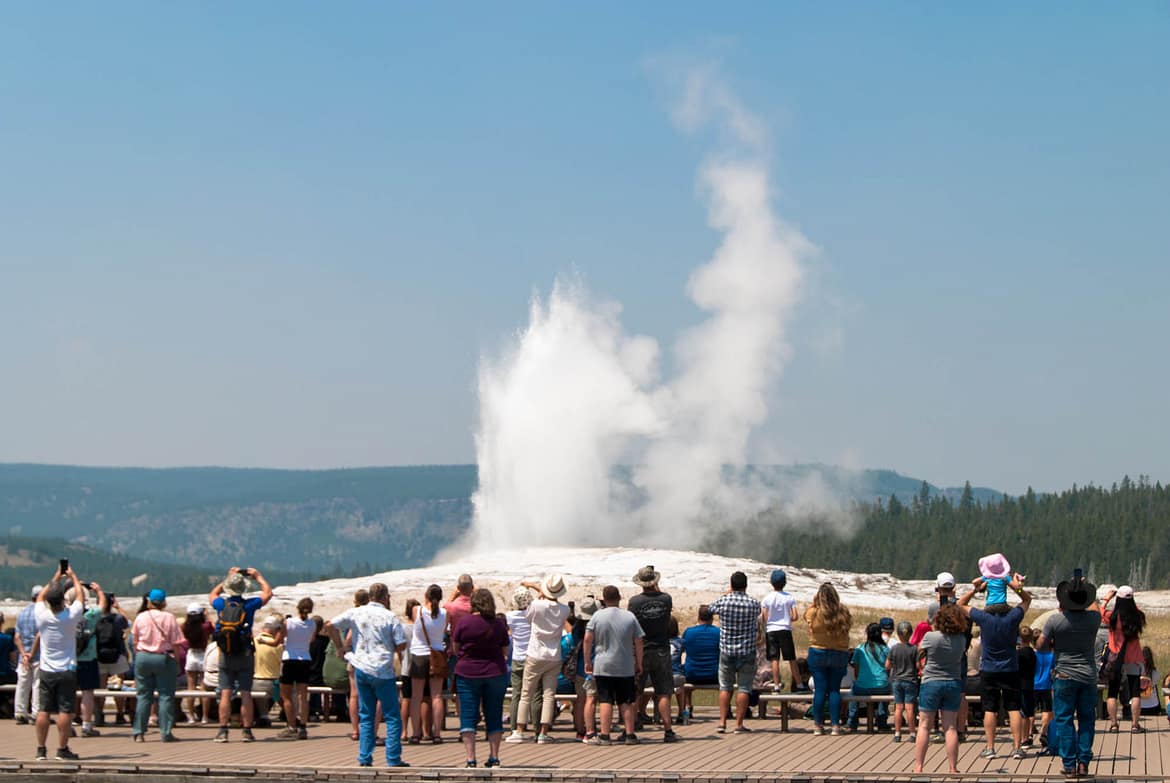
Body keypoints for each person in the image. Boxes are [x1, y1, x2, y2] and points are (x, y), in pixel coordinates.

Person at [325, 582, 410, 768]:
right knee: (392, 716)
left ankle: (365, 757)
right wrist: (394, 648)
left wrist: (340, 647)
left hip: (361, 668)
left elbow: (329, 625)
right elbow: (401, 644)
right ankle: (393, 758)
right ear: (386, 597)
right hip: (383, 670)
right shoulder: (390, 617)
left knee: (366, 714)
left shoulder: (357, 612)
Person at [957, 572, 1031, 759]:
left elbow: (960, 605)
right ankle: (1017, 747)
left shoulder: (983, 618)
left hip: (989, 668)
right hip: (1010, 667)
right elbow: (1026, 599)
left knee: (989, 708)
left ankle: (990, 747)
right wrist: (1013, 584)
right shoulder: (1013, 616)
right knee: (1013, 707)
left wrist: (976, 588)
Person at [1037, 569, 1101, 778]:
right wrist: (1081, 587)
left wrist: (1053, 642)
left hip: (1064, 674)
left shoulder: (1055, 620)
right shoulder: (1094, 619)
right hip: (1088, 675)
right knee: (1086, 719)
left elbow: (1041, 646)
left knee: (1064, 719)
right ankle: (1083, 762)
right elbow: (1093, 605)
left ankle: (1069, 764)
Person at [208, 566, 273, 743]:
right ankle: (247, 730)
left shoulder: (222, 604)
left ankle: (222, 730)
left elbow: (212, 595)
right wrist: (258, 576)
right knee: (245, 693)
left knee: (226, 693)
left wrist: (228, 579)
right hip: (244, 653)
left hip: (226, 653)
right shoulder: (249, 605)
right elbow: (268, 593)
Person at [451, 588, 510, 768]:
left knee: (468, 715)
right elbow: (505, 651)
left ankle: (470, 759)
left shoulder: (464, 622)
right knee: (494, 714)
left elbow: (455, 648)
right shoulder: (499, 624)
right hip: (495, 673)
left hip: (467, 672)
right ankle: (494, 757)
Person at [33, 564, 85, 761]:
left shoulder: (42, 616)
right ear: (63, 600)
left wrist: (56, 576)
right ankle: (62, 749)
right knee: (65, 710)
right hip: (67, 668)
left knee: (43, 710)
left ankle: (40, 749)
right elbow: (80, 596)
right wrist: (73, 576)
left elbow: (39, 598)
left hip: (47, 668)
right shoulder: (70, 616)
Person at [511, 573, 570, 744]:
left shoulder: (536, 605)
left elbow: (529, 617)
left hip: (536, 653)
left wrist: (537, 590)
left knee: (526, 693)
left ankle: (520, 730)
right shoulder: (564, 610)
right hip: (554, 656)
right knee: (548, 695)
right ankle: (543, 732)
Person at [913, 603, 969, 775]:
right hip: (952, 682)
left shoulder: (931, 637)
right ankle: (953, 768)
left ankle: (919, 766)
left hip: (931, 682)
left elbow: (919, 651)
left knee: (924, 726)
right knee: (950, 727)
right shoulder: (961, 639)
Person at [583, 585, 643, 745]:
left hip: (603, 664)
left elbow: (588, 639)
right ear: (619, 597)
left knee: (605, 699)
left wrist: (588, 660)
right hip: (625, 664)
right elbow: (638, 641)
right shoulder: (629, 616)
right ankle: (630, 733)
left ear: (604, 599)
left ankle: (605, 734)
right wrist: (639, 662)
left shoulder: (597, 616)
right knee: (626, 700)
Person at [628, 565, 678, 743]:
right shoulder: (666, 599)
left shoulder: (634, 602)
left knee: (635, 691)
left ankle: (631, 729)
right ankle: (668, 730)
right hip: (662, 649)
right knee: (663, 692)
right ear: (655, 582)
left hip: (642, 649)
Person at [708, 571, 762, 735]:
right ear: (746, 585)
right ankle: (739, 724)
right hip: (747, 650)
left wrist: (727, 593)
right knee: (744, 688)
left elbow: (710, 609)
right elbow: (759, 612)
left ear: (731, 585)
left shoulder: (724, 601)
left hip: (726, 650)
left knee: (725, 686)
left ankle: (722, 722)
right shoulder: (753, 603)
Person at [130, 588, 183, 742]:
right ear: (164, 602)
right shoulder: (169, 617)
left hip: (143, 656)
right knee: (166, 696)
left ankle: (139, 731)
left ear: (149, 601)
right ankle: (165, 732)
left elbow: (134, 641)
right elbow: (176, 643)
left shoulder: (140, 617)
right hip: (163, 657)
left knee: (143, 696)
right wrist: (177, 661)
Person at [804, 582, 852, 736]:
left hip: (818, 651)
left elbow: (806, 618)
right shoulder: (843, 612)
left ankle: (818, 725)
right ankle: (835, 725)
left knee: (820, 689)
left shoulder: (814, 612)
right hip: (839, 652)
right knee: (834, 690)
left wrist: (813, 603)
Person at [1099, 585, 1146, 733]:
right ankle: (1134, 724)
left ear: (1117, 599)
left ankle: (1113, 724)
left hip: (1115, 658)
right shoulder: (1138, 615)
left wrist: (1107, 599)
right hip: (1133, 658)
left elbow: (1100, 612)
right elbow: (1137, 609)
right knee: (1135, 692)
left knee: (1112, 692)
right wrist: (1131, 601)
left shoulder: (1112, 617)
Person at [408, 584, 447, 744]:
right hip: (437, 654)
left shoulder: (417, 610)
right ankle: (437, 733)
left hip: (418, 654)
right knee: (436, 696)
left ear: (426, 596)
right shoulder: (445, 613)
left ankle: (416, 733)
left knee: (416, 696)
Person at [278, 597, 317, 740]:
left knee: (287, 696)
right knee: (302, 696)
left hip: (289, 658)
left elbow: (279, 639)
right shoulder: (312, 624)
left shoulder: (289, 622)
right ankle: (303, 726)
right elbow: (311, 640)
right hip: (304, 659)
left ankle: (291, 726)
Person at [504, 587, 541, 736]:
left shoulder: (510, 616)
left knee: (517, 695)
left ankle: (515, 728)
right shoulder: (533, 615)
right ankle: (537, 729)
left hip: (517, 658)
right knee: (535, 694)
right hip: (532, 656)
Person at [761, 569, 804, 692]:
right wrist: (786, 618)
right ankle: (800, 684)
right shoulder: (789, 597)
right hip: (785, 629)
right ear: (785, 583)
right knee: (791, 658)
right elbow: (795, 616)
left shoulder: (767, 598)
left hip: (771, 630)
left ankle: (775, 685)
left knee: (774, 659)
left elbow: (764, 617)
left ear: (771, 582)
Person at [847, 622, 890, 732]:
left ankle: (852, 722)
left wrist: (859, 680)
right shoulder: (885, 649)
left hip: (862, 686)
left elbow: (856, 670)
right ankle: (882, 721)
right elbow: (888, 668)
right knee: (885, 693)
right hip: (881, 685)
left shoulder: (860, 648)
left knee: (853, 693)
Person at [74, 582, 105, 738]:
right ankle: (87, 725)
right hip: (88, 657)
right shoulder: (91, 615)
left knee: (69, 692)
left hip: (69, 659)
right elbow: (103, 606)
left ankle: (69, 723)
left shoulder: (66, 615)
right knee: (87, 693)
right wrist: (98, 591)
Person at [681, 606, 720, 719]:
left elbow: (682, 649)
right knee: (728, 679)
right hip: (714, 674)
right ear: (712, 618)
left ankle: (688, 706)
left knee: (686, 670)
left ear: (698, 617)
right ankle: (726, 708)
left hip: (692, 674)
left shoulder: (689, 632)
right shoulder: (718, 632)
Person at [13, 585, 42, 725]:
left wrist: (24, 654)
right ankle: (36, 713)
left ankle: (20, 712)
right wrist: (32, 653)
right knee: (37, 684)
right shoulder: (42, 613)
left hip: (23, 656)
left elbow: (17, 636)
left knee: (22, 684)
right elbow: (39, 635)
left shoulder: (22, 613)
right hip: (39, 655)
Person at [181, 603, 214, 725]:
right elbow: (213, 629)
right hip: (203, 655)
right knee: (204, 688)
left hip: (191, 655)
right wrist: (208, 615)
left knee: (191, 687)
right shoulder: (205, 626)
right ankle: (205, 716)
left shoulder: (184, 626)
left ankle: (191, 717)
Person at [886, 620, 918, 743]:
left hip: (897, 680)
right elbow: (918, 665)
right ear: (910, 634)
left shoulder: (894, 648)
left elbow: (887, 666)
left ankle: (897, 733)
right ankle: (912, 733)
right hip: (910, 680)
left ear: (898, 634)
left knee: (898, 708)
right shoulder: (914, 648)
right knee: (910, 708)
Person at [253, 615, 284, 725]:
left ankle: (263, 716)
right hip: (273, 682)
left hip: (256, 681)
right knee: (287, 694)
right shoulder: (278, 646)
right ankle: (288, 714)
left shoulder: (254, 641)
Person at [1033, 629, 1055, 754]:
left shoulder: (1034, 654)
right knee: (1047, 711)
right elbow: (1053, 670)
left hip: (1033, 685)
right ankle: (1044, 731)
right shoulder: (1051, 656)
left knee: (1031, 711)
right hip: (1046, 685)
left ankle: (1029, 733)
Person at [1017, 626, 1038, 748]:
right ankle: (1028, 734)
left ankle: (1023, 738)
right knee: (1029, 711)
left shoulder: (1019, 654)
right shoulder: (1032, 653)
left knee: (1022, 712)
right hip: (1030, 683)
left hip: (1020, 684)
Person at [1138, 647, 1161, 717]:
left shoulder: (1136, 670)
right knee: (1154, 687)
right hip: (1152, 707)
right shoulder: (1155, 673)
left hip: (1137, 707)